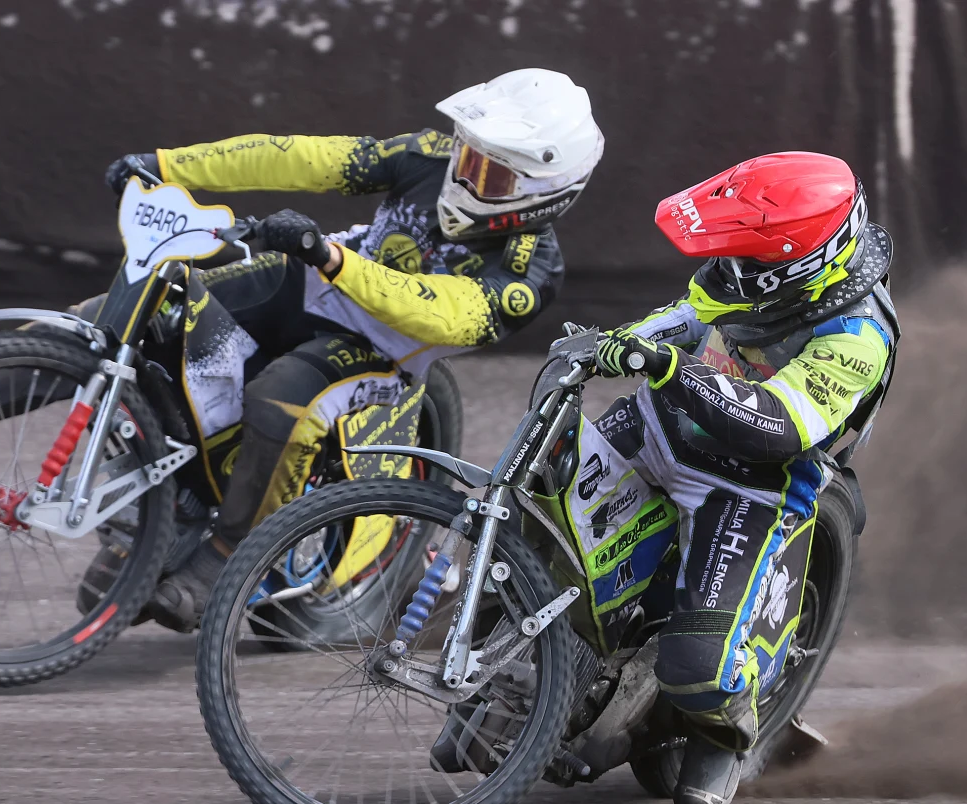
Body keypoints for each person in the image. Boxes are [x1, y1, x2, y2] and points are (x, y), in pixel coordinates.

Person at [99, 68, 605, 630]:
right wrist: (168, 166)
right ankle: (162, 490)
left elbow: (435, 311)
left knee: (279, 401)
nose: (464, 174)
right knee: (147, 310)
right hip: (311, 279)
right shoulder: (428, 154)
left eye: (491, 172)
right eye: (468, 153)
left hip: (381, 349)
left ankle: (230, 556)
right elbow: (303, 158)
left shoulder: (531, 272)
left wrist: (333, 258)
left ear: (542, 195)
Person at [576, 151, 899, 804]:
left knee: (699, 666)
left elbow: (778, 425)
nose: (730, 266)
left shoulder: (858, 335)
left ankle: (726, 730)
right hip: (660, 427)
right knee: (540, 511)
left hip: (753, 482)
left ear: (796, 264)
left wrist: (673, 370)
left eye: (746, 258)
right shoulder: (748, 277)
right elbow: (691, 315)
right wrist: (612, 344)